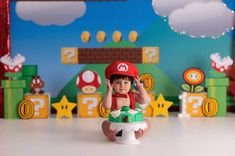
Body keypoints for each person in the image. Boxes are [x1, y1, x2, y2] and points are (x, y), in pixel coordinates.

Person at [101, 61, 151, 141]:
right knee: (104, 124)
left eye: (126, 82)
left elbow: (145, 100)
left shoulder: (132, 96)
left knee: (147, 121)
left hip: (133, 126)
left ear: (131, 84)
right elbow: (106, 106)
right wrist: (109, 91)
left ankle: (139, 133)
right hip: (117, 127)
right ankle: (111, 135)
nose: (122, 85)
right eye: (118, 82)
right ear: (112, 84)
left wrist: (140, 87)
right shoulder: (112, 97)